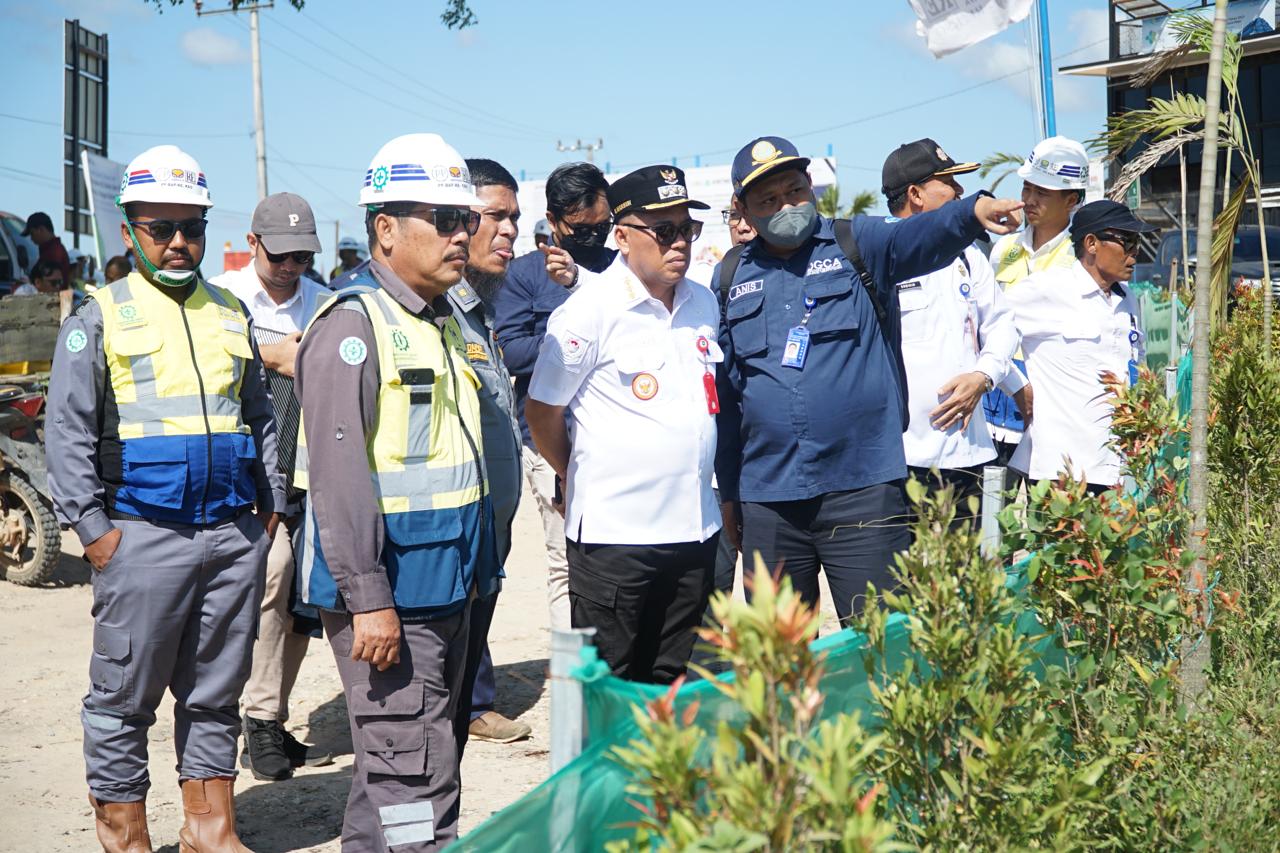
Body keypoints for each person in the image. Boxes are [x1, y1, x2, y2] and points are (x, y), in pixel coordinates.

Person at [46, 144, 283, 852]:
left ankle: (211, 831)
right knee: (123, 701)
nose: (180, 242)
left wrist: (266, 513)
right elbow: (67, 433)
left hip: (231, 537)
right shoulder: (100, 315)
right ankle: (127, 838)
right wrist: (95, 532)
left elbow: (260, 415)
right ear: (130, 232)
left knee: (216, 693)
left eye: (193, 227)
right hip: (140, 536)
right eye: (161, 228)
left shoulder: (227, 311)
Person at [715, 135, 1024, 624]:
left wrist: (969, 214)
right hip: (769, 500)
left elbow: (915, 236)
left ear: (811, 188)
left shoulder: (857, 243)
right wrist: (730, 493)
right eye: (768, 200)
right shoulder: (729, 276)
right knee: (778, 659)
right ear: (744, 209)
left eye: (794, 190)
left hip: (862, 491)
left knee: (878, 650)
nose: (786, 205)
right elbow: (729, 399)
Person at [293, 132, 499, 851]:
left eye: (465, 220)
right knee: (414, 779)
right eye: (443, 219)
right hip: (392, 602)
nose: (461, 234)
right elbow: (341, 478)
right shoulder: (353, 325)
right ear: (385, 229)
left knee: (401, 769)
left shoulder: (441, 320)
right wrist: (369, 598)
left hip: (447, 585)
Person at [525, 165, 721, 684]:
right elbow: (542, 410)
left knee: (677, 685)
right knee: (608, 688)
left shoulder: (703, 303)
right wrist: (574, 471)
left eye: (687, 229)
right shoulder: (587, 311)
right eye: (664, 231)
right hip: (617, 539)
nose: (679, 243)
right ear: (623, 235)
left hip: (694, 531)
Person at [210, 191, 335, 783]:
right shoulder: (222, 296)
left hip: (313, 471)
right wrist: (269, 354)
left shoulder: (329, 303)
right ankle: (256, 721)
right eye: (280, 254)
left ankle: (271, 718)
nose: (291, 267)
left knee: (301, 601)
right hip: (251, 476)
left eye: (302, 257)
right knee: (273, 581)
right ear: (253, 243)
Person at [493, 162, 615, 632]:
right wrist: (577, 334)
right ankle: (572, 670)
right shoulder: (523, 275)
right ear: (554, 220)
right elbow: (514, 350)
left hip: (618, 434)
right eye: (581, 229)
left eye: (602, 226)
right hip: (552, 441)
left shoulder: (620, 267)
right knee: (567, 556)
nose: (593, 237)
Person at [881, 139, 1022, 517]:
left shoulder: (969, 255)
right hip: (901, 459)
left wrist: (984, 375)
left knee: (969, 574)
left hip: (968, 453)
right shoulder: (878, 259)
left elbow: (1003, 325)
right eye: (949, 182)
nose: (960, 192)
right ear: (915, 194)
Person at [446, 158, 532, 747]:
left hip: (493, 512)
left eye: (514, 218)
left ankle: (473, 705)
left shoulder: (484, 307)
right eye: (494, 217)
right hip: (453, 510)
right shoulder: (437, 309)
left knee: (482, 603)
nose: (509, 231)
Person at [1005, 200, 1153, 493]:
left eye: (1138, 243)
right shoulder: (1047, 289)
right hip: (1061, 470)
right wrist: (1017, 385)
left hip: (1116, 469)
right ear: (1091, 243)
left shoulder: (1129, 299)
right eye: (1127, 242)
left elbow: (1136, 367)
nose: (1135, 253)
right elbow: (986, 330)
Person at [982, 136, 1090, 471]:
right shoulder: (1004, 249)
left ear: (1071, 199)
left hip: (1053, 414)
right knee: (987, 517)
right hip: (996, 406)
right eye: (1027, 189)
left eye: (1041, 192)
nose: (1029, 200)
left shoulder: (1083, 257)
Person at [21, 210, 73, 286]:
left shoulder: (54, 252)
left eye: (32, 233)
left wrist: (30, 282)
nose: (31, 239)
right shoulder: (54, 250)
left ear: (41, 230)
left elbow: (50, 283)